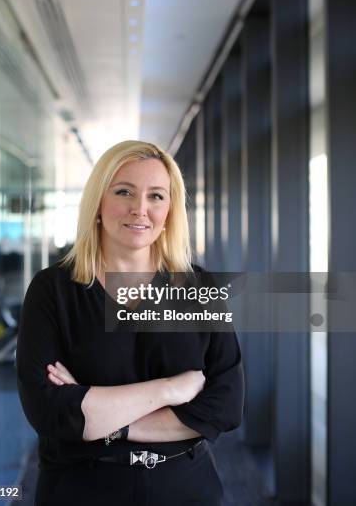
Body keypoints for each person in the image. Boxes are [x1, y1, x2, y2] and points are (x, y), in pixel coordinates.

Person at [16, 140, 244, 505]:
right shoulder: (53, 290)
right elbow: (51, 411)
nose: (140, 209)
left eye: (156, 196)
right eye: (124, 192)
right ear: (98, 204)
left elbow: (225, 405)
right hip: (80, 490)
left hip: (184, 488)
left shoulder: (200, 288)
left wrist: (104, 421)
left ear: (170, 210)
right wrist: (170, 390)